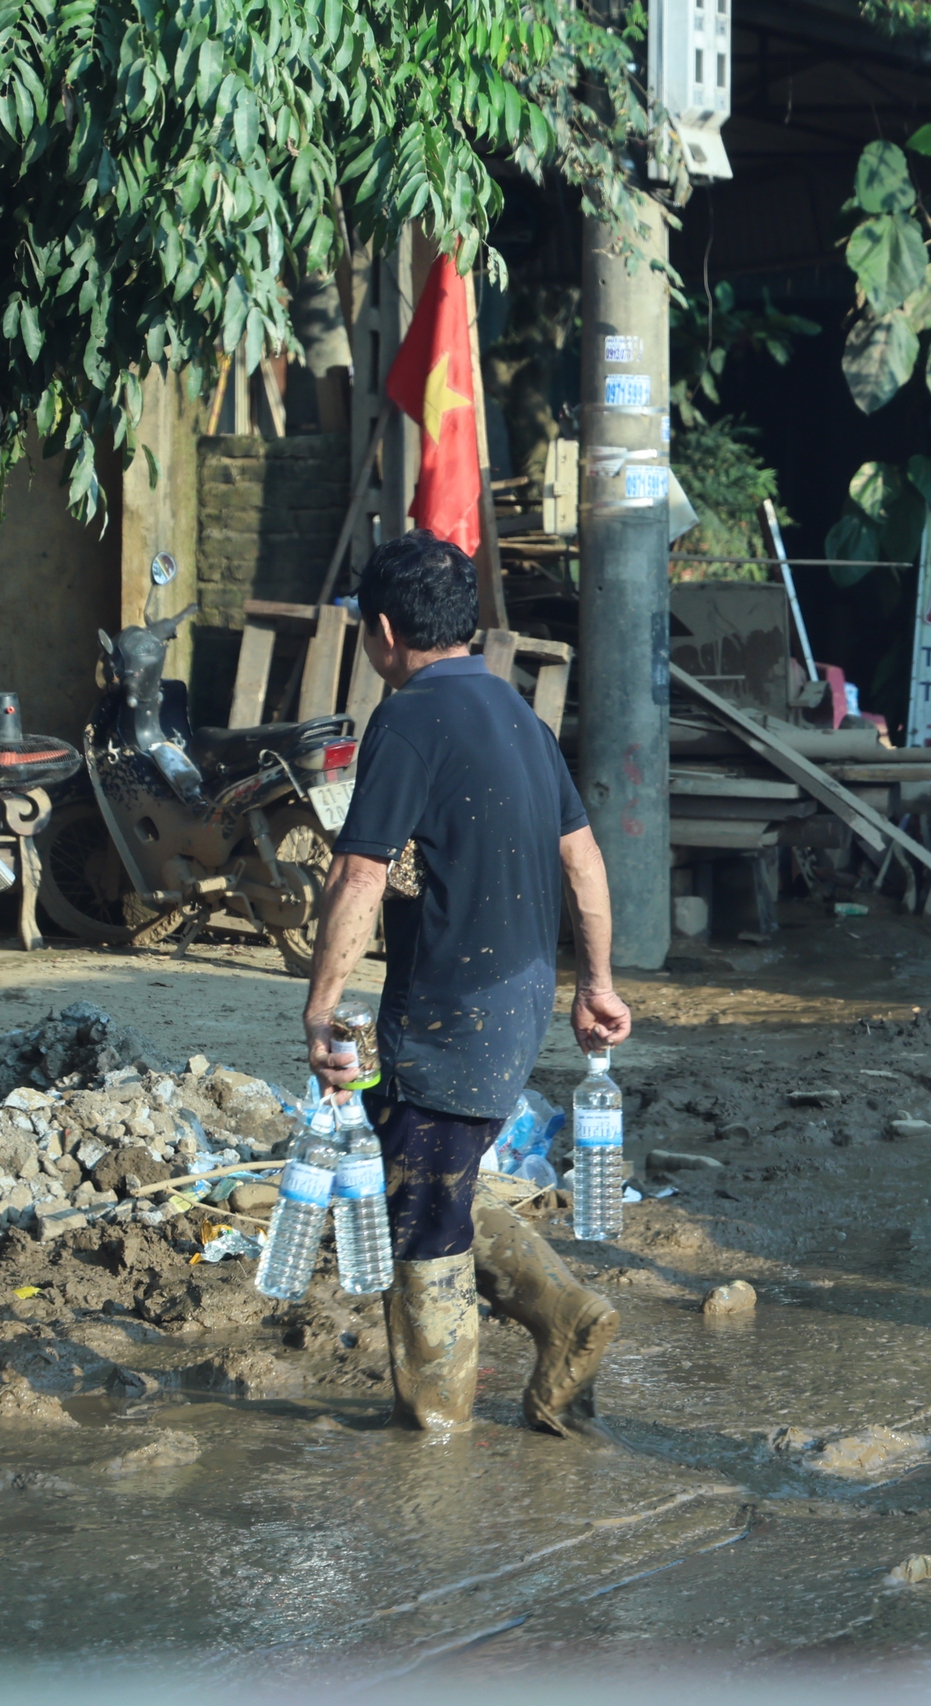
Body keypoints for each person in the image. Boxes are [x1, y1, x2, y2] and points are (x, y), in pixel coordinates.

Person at [301, 530, 634, 1435]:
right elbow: (585, 861)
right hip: (519, 1004)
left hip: (447, 1010)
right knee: (434, 1177)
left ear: (379, 631)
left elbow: (357, 875)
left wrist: (321, 1007)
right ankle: (568, 1315)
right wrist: (596, 983)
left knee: (422, 1225)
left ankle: (438, 1436)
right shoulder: (518, 714)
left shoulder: (405, 718)